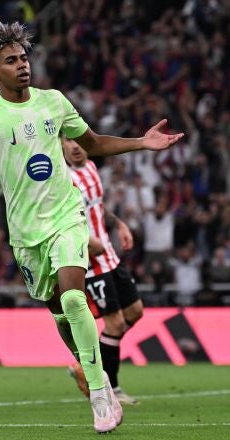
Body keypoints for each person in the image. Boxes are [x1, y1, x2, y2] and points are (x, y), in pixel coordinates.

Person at [0, 21, 183, 433]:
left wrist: (141, 142)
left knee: (76, 301)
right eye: (11, 60)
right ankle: (86, 368)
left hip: (66, 217)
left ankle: (101, 395)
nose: (22, 65)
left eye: (24, 57)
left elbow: (92, 142)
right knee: (60, 313)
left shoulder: (54, 102)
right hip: (26, 235)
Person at [63, 137, 143, 406]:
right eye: (67, 141)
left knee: (135, 312)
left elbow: (97, 206)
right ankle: (112, 388)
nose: (74, 146)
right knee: (115, 323)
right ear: (61, 146)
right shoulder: (64, 180)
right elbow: (60, 220)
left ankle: (86, 366)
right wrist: (85, 240)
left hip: (109, 255)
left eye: (78, 140)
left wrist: (119, 224)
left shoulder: (92, 170)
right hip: (89, 261)